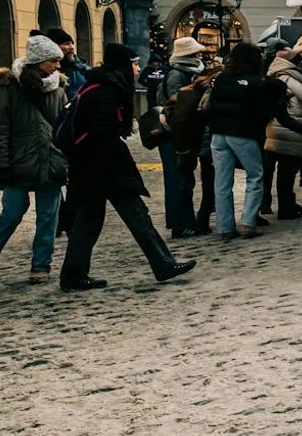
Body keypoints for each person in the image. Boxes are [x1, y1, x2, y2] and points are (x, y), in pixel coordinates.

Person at [57, 43, 194, 290]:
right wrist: (117, 166)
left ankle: (73, 274)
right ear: (122, 65)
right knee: (136, 216)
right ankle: (163, 264)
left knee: (88, 222)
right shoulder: (107, 91)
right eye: (134, 62)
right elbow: (101, 132)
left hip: (90, 167)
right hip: (104, 167)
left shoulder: (98, 86)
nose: (137, 67)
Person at [0, 36, 70, 284]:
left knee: (49, 217)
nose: (58, 66)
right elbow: (0, 130)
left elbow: (62, 126)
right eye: (53, 61)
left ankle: (41, 266)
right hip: (18, 161)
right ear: (38, 62)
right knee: (12, 214)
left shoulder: (58, 88)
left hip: (50, 161)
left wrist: (65, 157)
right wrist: (3, 165)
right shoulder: (9, 89)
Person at [203, 43, 270, 240]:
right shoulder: (255, 81)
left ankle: (225, 227)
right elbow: (261, 110)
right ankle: (248, 221)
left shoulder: (221, 78)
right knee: (255, 176)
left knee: (222, 182)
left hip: (218, 134)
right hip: (243, 133)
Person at [264, 49, 302, 220]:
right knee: (287, 171)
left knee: (284, 171)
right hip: (288, 128)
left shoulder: (278, 74)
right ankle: (286, 207)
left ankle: (284, 205)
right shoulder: (288, 76)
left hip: (281, 127)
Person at [161, 37, 210, 237]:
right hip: (176, 132)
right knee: (178, 179)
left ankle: (187, 221)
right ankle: (179, 224)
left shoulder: (191, 71)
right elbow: (175, 100)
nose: (200, 56)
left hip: (186, 130)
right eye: (196, 53)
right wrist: (196, 90)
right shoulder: (177, 74)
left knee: (185, 179)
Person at [45, 28, 89, 103]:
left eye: (72, 43)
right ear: (55, 47)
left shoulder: (83, 69)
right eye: (67, 44)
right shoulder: (47, 72)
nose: (72, 47)